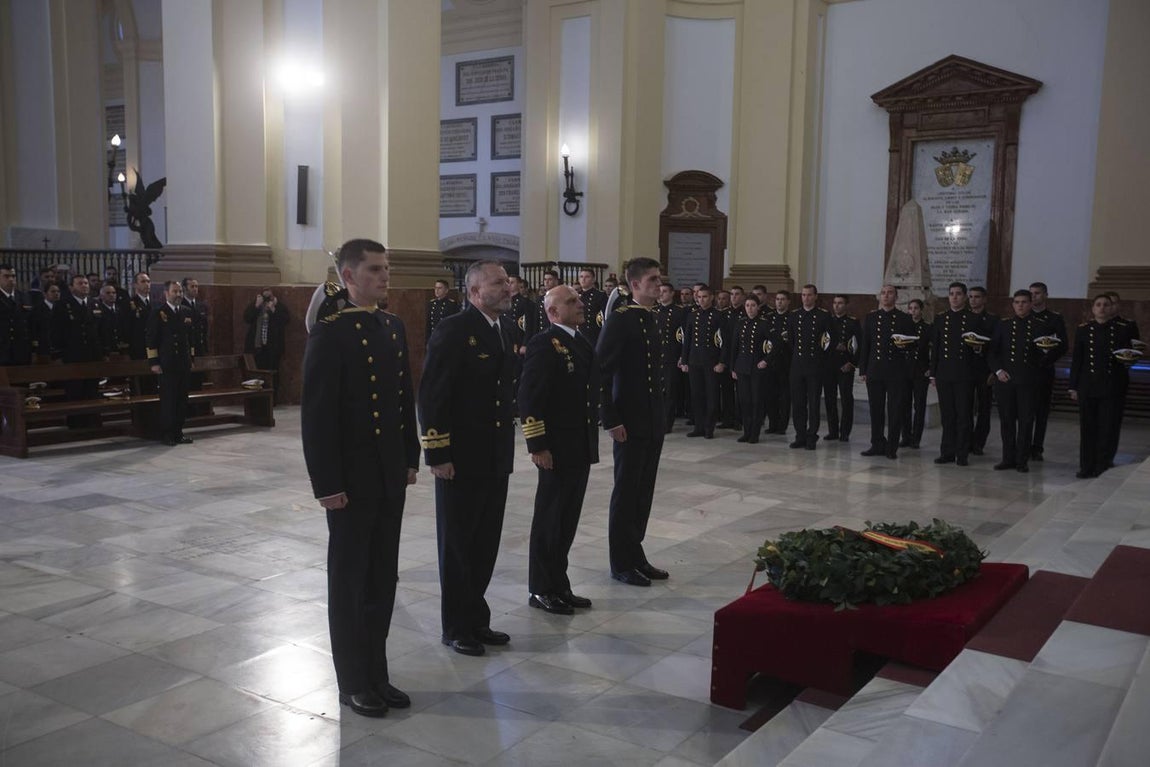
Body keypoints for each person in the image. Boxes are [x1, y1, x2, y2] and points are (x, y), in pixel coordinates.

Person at [301, 238, 416, 718]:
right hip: (350, 481)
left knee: (382, 578)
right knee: (349, 582)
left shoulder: (391, 326)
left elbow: (403, 399)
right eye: (374, 269)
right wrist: (327, 485)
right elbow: (317, 416)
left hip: (388, 474)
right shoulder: (330, 333)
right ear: (348, 277)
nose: (384, 276)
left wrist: (410, 457)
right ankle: (352, 682)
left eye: (386, 268)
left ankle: (377, 674)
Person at [419, 260, 517, 657]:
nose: (508, 287)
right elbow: (433, 395)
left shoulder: (503, 329)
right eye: (498, 282)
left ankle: (477, 618)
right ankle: (456, 626)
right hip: (460, 457)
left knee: (485, 542)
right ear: (475, 292)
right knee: (458, 545)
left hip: (494, 455)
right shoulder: (454, 329)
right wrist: (437, 453)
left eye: (507, 281)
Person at [519, 285, 599, 615]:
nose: (580, 304)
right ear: (553, 312)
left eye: (578, 299)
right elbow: (530, 397)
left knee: (566, 520)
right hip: (555, 448)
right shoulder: (544, 343)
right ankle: (541, 588)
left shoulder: (581, 341)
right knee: (549, 520)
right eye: (571, 301)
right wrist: (538, 445)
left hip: (578, 445)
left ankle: (559, 584)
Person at [598, 257, 669, 587]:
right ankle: (621, 562)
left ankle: (635, 554)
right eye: (653, 279)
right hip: (628, 420)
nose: (659, 284)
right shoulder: (621, 319)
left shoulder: (651, 317)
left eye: (659, 279)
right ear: (635, 284)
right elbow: (601, 372)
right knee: (626, 492)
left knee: (644, 490)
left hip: (651, 419)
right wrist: (610, 419)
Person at [987, 289, 1056, 473]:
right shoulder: (1004, 325)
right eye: (1017, 302)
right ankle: (1007, 458)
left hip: (1029, 381)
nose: (1020, 305)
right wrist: (998, 371)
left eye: (1024, 302)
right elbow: (992, 352)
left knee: (1026, 421)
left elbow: (1052, 350)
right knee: (1007, 421)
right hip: (1006, 380)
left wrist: (1042, 362)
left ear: (1031, 304)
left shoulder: (1040, 325)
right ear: (1013, 305)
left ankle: (1021, 460)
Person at [1068, 294, 1136, 479]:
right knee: (1087, 428)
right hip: (1088, 386)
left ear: (1112, 308)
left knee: (1107, 428)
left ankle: (1102, 465)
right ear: (1093, 308)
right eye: (1098, 304)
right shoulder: (1084, 329)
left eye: (1106, 304)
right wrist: (1073, 386)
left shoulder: (1123, 329)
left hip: (1112, 385)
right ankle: (1086, 466)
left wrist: (1129, 360)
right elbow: (1077, 359)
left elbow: (1131, 355)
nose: (1102, 308)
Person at [859, 284, 916, 459]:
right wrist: (863, 369)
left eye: (890, 293)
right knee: (875, 410)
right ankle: (876, 444)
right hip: (875, 370)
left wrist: (904, 347)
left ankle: (892, 447)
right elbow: (865, 345)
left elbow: (913, 345)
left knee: (895, 410)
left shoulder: (904, 319)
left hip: (896, 371)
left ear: (896, 297)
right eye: (883, 293)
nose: (886, 296)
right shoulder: (871, 318)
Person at [929, 282, 981, 466]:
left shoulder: (973, 319)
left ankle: (962, 453)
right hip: (944, 374)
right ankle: (947, 452)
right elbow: (936, 348)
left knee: (964, 416)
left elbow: (981, 348)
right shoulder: (941, 318)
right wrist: (933, 374)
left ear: (965, 297)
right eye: (951, 294)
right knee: (947, 416)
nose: (954, 297)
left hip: (964, 374)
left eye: (958, 294)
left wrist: (977, 349)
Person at [146, 281, 196, 446]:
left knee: (182, 399)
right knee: (169, 400)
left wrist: (192, 359)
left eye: (180, 291)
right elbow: (151, 339)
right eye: (175, 291)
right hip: (167, 363)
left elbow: (191, 339)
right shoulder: (158, 312)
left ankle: (178, 432)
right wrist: (154, 362)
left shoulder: (186, 311)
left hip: (183, 362)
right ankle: (167, 433)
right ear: (166, 293)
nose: (178, 295)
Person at [787, 284, 831, 449]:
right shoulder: (794, 315)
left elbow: (829, 341)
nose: (806, 298)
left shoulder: (823, 316)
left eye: (809, 295)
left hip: (815, 366)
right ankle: (800, 435)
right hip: (797, 365)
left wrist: (822, 362)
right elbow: (791, 340)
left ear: (815, 296)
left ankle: (812, 436)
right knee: (798, 403)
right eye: (804, 295)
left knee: (813, 403)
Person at [1028, 282, 1067, 462]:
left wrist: (1045, 360)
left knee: (1041, 412)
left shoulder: (1054, 318)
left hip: (1043, 370)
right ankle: (1023, 444)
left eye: (1037, 293)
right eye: (1031, 293)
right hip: (1025, 370)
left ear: (1045, 295)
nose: (1033, 296)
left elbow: (1063, 345)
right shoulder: (1024, 316)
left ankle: (1037, 447)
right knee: (1024, 411)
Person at [51, 274, 103, 412]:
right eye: (80, 283)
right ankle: (76, 422)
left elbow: (101, 330)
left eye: (86, 283)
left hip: (92, 355)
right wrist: (58, 355)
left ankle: (93, 420)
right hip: (72, 355)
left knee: (92, 392)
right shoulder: (62, 305)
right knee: (75, 393)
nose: (84, 286)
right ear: (71, 287)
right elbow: (56, 331)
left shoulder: (94, 303)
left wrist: (104, 352)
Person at [679, 285, 725, 439]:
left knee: (711, 396)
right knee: (696, 395)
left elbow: (724, 342)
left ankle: (709, 428)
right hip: (694, 360)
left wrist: (722, 362)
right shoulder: (693, 315)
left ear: (711, 298)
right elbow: (687, 339)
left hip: (711, 361)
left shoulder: (718, 316)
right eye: (699, 297)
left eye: (705, 297)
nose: (701, 300)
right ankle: (698, 427)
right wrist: (684, 360)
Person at [727, 294, 770, 443]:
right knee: (744, 401)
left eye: (753, 305)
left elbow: (774, 345)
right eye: (747, 305)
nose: (750, 309)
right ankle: (746, 431)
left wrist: (766, 360)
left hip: (757, 367)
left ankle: (755, 433)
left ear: (758, 307)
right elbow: (735, 347)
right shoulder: (740, 323)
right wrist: (733, 367)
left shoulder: (764, 324)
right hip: (742, 366)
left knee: (756, 401)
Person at [823, 294, 860, 441]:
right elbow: (822, 342)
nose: (836, 306)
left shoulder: (853, 322)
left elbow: (860, 345)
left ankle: (845, 432)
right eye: (835, 303)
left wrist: (852, 363)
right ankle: (833, 431)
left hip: (845, 365)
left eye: (840, 303)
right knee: (829, 399)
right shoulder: (827, 321)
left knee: (846, 399)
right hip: (829, 365)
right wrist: (833, 346)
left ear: (846, 305)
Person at [967, 286, 998, 455]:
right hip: (966, 369)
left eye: (977, 297)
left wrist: (995, 371)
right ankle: (966, 439)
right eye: (971, 297)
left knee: (984, 408)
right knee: (965, 407)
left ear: (984, 299)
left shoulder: (993, 319)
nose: (973, 300)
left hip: (985, 369)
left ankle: (979, 442)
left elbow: (998, 347)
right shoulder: (964, 318)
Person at [244, 287, 291, 399]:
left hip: (273, 348)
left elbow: (285, 320)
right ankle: (258, 399)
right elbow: (247, 318)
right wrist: (256, 305)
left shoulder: (279, 307)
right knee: (257, 374)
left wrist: (274, 309)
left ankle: (272, 399)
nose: (266, 299)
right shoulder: (256, 305)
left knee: (273, 373)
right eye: (264, 296)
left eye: (268, 296)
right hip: (257, 346)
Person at [652, 282, 685, 433]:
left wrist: (682, 356)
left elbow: (684, 336)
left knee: (670, 391)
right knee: (656, 390)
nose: (661, 294)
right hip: (656, 356)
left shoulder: (679, 312)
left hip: (672, 355)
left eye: (664, 291)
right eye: (660, 291)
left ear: (672, 293)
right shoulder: (654, 311)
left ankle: (667, 422)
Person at [900, 298, 931, 449]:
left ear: (921, 310)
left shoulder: (928, 328)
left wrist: (931, 368)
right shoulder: (903, 327)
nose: (913, 311)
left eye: (916, 308)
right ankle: (905, 436)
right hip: (905, 370)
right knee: (904, 405)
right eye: (910, 308)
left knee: (919, 405)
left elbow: (934, 350)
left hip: (921, 371)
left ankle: (916, 438)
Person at [763, 290, 792, 435]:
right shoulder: (769, 317)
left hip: (786, 361)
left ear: (788, 302)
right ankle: (772, 423)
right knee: (770, 395)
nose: (779, 302)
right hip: (770, 361)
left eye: (782, 299)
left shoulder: (792, 318)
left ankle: (782, 426)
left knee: (784, 396)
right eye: (777, 299)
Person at [0, 263, 32, 365]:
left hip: (22, 350)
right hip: (3, 350)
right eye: (6, 276)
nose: (11, 279)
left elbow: (30, 322)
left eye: (13, 276)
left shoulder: (23, 296)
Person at [576, 267, 608, 348]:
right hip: (579, 333)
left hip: (594, 334)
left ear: (593, 280)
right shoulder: (576, 295)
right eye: (581, 277)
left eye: (587, 277)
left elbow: (604, 316)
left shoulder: (600, 295)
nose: (583, 279)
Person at [94, 284, 125, 357]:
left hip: (121, 348)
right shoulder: (98, 311)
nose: (111, 295)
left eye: (114, 293)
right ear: (101, 296)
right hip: (105, 349)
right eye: (108, 293)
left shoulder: (120, 309)